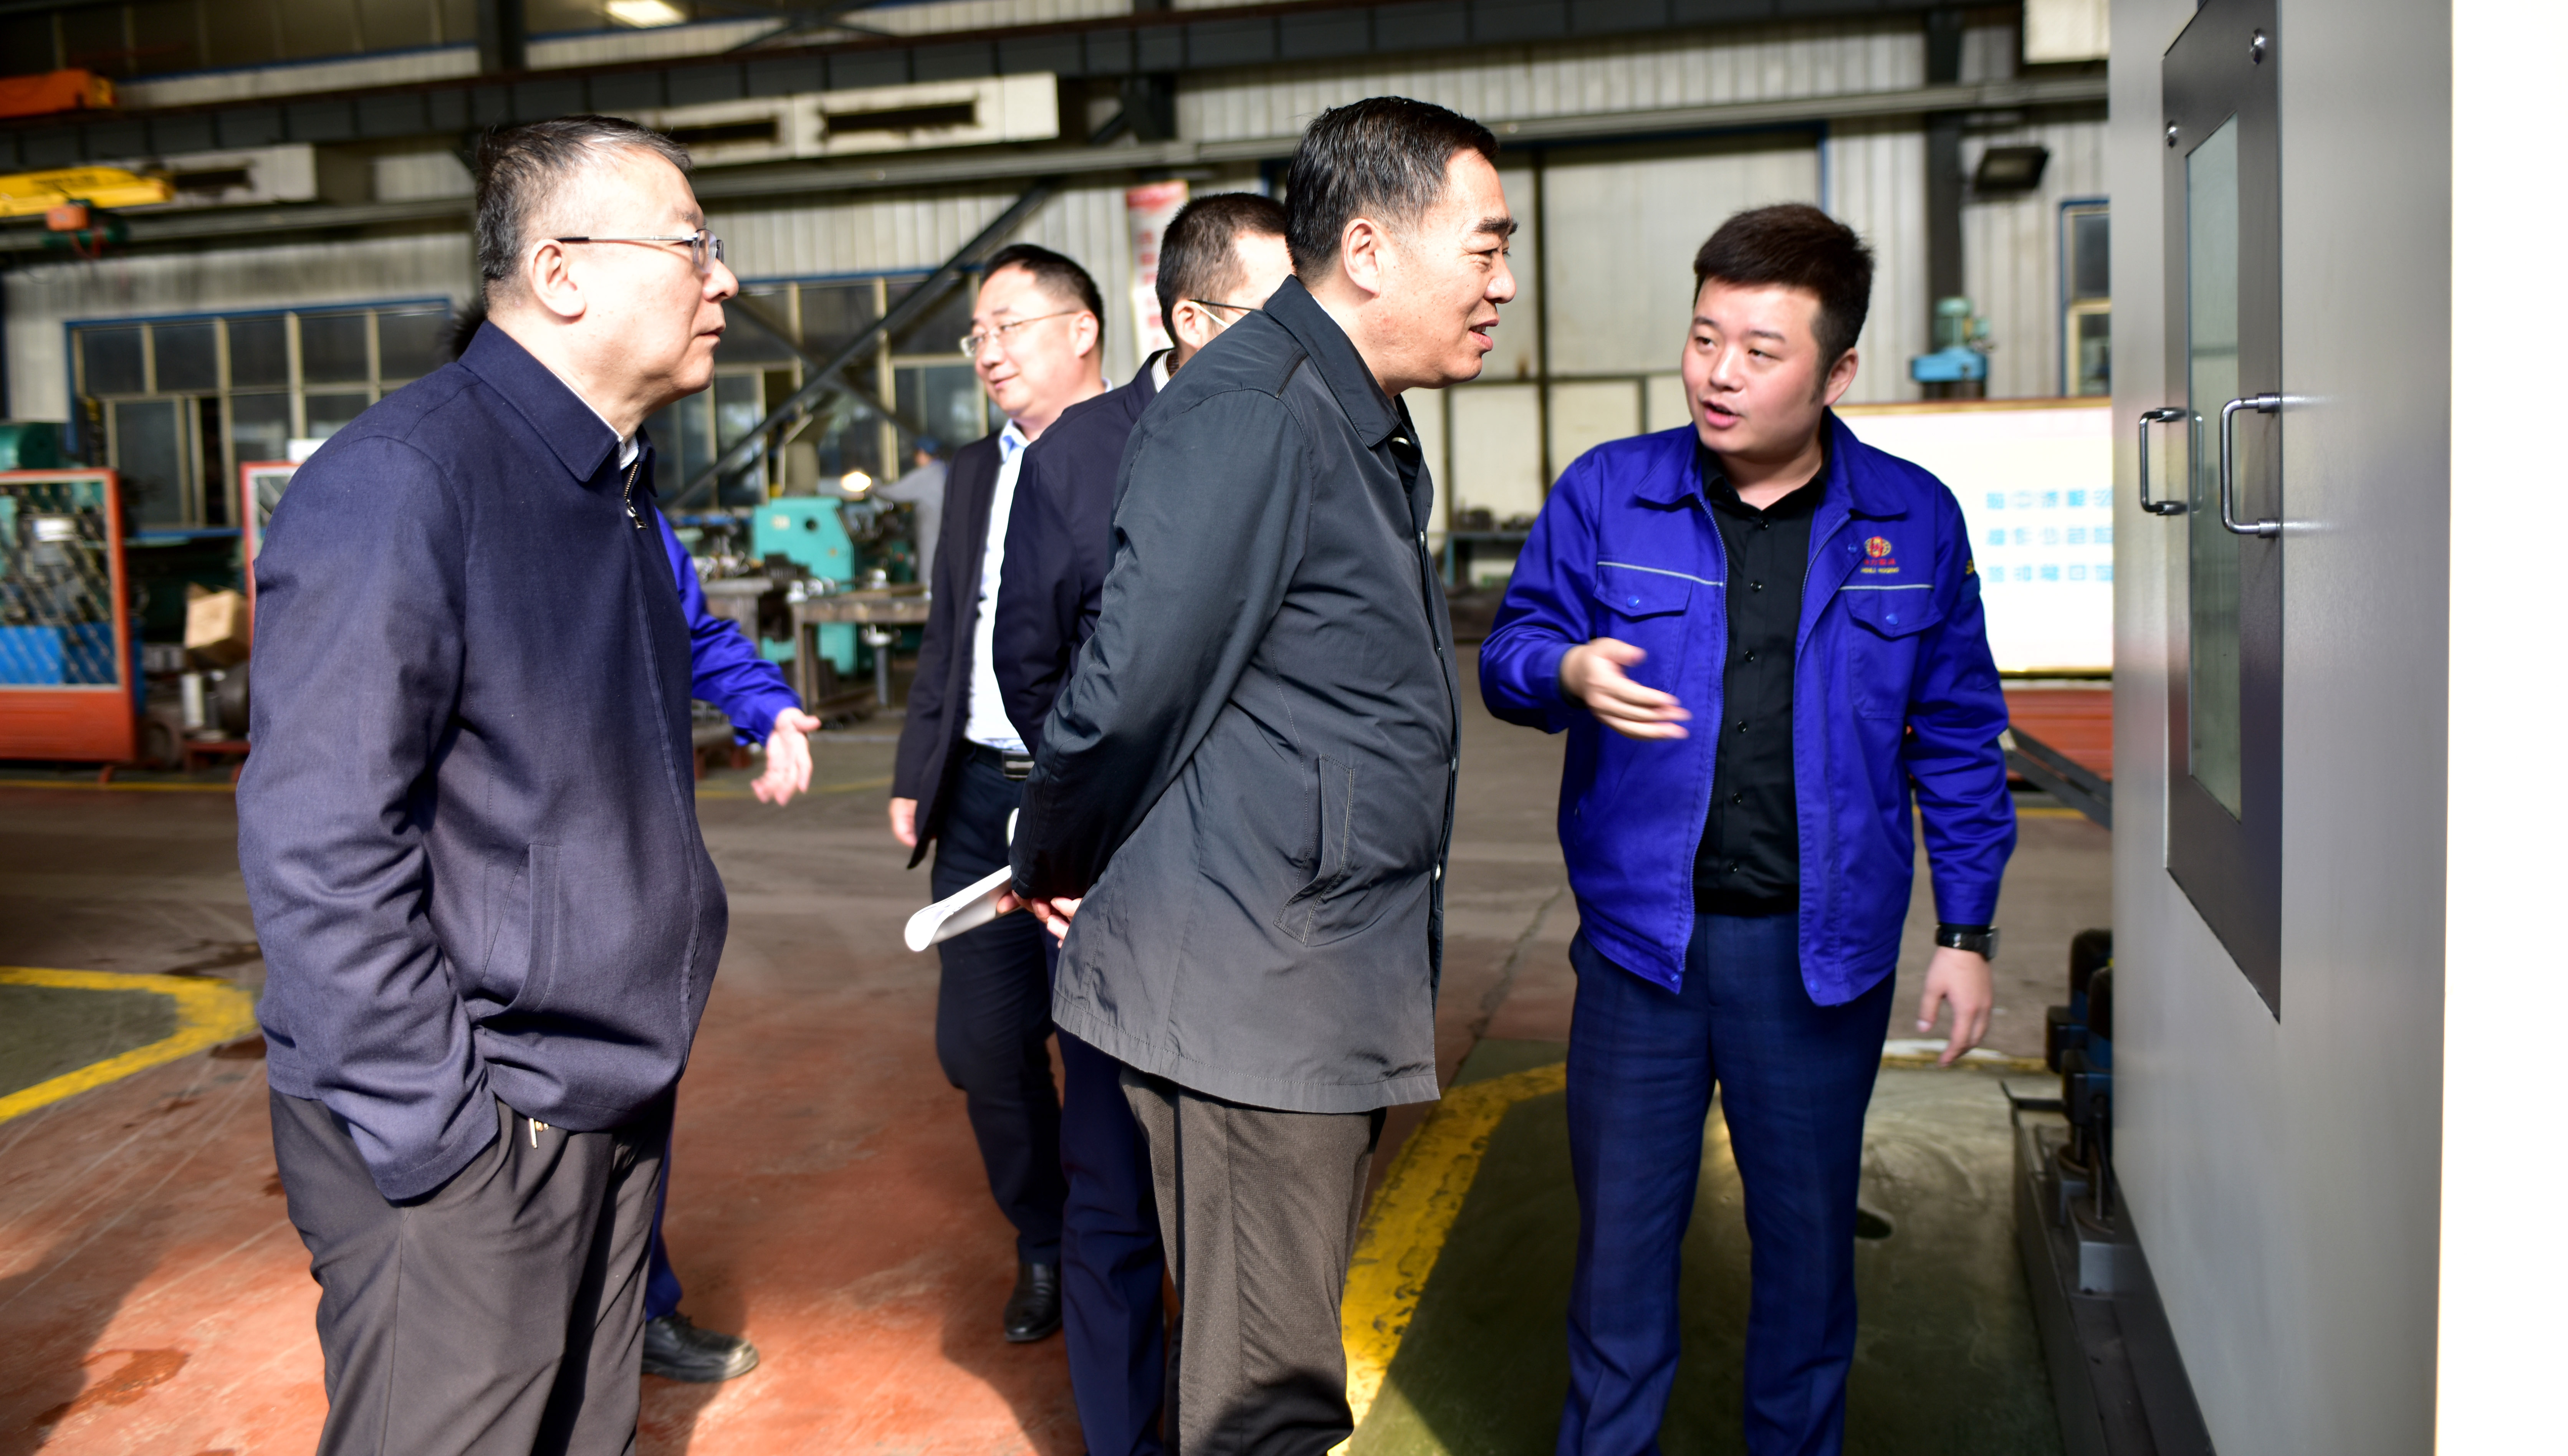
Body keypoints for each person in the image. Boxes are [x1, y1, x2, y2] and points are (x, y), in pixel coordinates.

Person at [1006, 97, 1516, 1454]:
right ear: (1369, 249)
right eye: (1484, 247)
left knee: (1266, 1372)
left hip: (1304, 962)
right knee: (1263, 1403)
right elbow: (1129, 687)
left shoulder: (1346, 410)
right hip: (1252, 980)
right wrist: (1050, 857)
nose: (1503, 284)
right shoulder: (1256, 412)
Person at [239, 114, 756, 1453]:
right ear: (560, 272)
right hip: (479, 1120)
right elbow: (318, 844)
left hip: (600, 1089)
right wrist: (448, 1134)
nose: (725, 278)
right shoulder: (403, 482)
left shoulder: (608, 489)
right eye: (693, 244)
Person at [1477, 203, 2015, 1456]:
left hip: (1816, 963)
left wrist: (1967, 932)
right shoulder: (1608, 494)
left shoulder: (1912, 522)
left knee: (1807, 1266)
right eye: (1703, 337)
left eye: (1760, 351)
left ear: (1836, 371)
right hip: (1642, 957)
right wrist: (1564, 671)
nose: (1718, 373)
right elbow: (1509, 653)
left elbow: (1955, 736)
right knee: (1617, 1271)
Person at [432, 259, 810, 1393]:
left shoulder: (624, 495)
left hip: (627, 880)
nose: (717, 288)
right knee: (519, 1167)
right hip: (509, 904)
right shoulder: (443, 497)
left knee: (634, 1109)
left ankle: (635, 1308)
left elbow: (692, 629)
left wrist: (768, 706)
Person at [991, 192, 1294, 1456]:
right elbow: (1029, 665)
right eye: (1280, 313)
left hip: (1267, 892)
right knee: (1112, 1187)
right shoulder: (1078, 455)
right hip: (1116, 889)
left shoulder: (1309, 435)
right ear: (1189, 319)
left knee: (1246, 1201)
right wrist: (1092, 825)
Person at [887, 242, 1109, 1342]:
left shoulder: (1140, 451)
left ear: (1082, 329)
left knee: (1109, 1045)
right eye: (977, 334)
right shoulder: (976, 471)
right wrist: (915, 770)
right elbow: (951, 630)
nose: (987, 351)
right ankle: (1046, 1242)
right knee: (981, 1045)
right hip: (979, 798)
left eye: (1008, 325)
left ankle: (1124, 1249)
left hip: (1097, 803)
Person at [876, 436, 948, 582]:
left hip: (933, 529)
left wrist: (873, 488)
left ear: (922, 453)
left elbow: (896, 492)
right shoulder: (944, 470)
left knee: (930, 569)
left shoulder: (928, 474)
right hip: (947, 528)